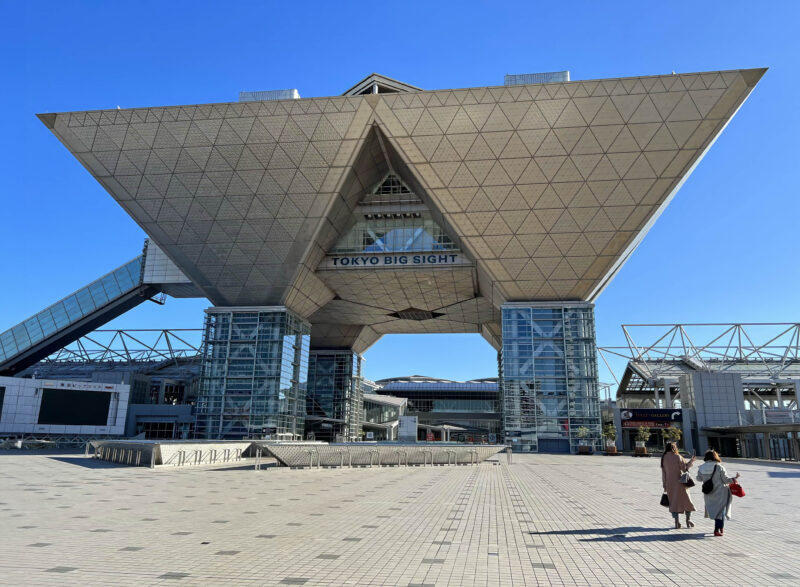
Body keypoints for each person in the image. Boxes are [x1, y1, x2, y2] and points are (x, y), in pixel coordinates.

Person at [696, 449, 740, 537]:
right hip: (720, 492)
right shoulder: (719, 467)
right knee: (721, 510)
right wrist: (735, 478)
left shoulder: (701, 467)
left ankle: (720, 527)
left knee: (716, 510)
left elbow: (699, 479)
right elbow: (725, 480)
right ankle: (717, 529)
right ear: (715, 456)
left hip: (708, 492)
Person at [661, 441, 697, 528]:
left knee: (673, 503)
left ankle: (677, 522)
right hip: (680, 482)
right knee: (687, 501)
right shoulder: (677, 457)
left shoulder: (664, 458)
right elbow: (684, 469)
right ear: (674, 448)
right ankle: (688, 520)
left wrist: (664, 485)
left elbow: (663, 473)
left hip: (669, 483)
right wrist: (691, 461)